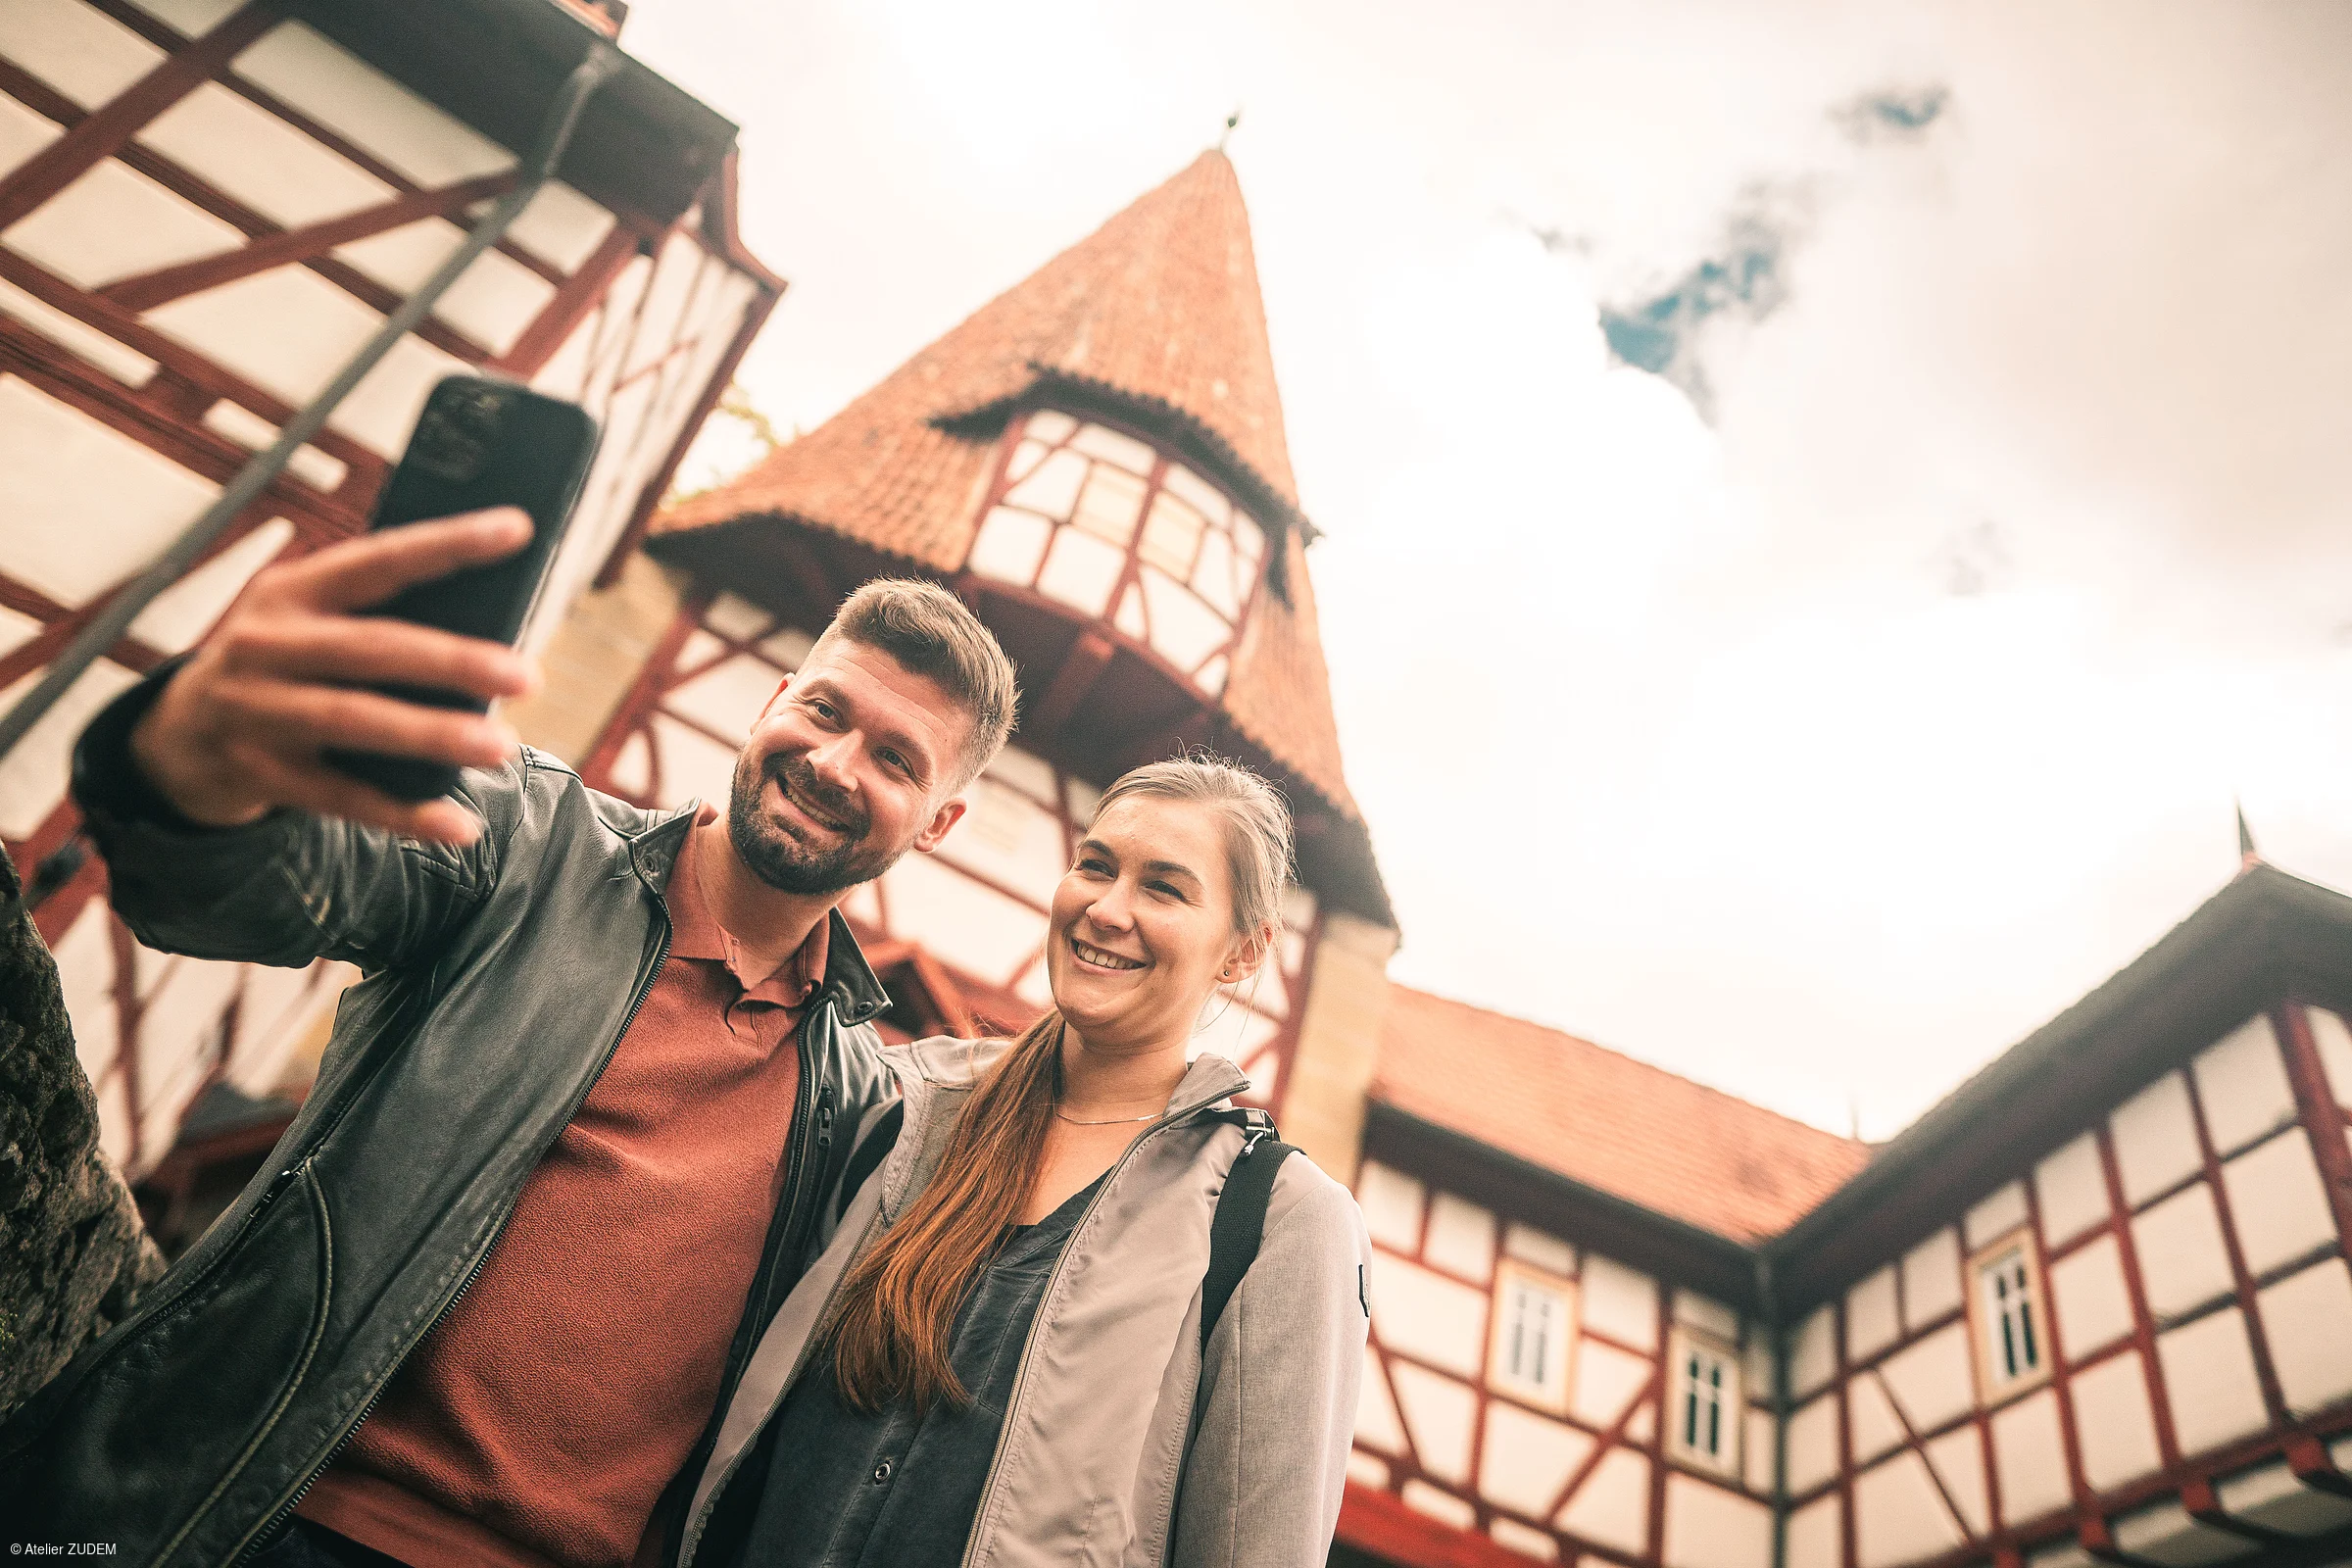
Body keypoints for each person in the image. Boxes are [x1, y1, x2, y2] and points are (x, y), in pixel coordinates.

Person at [0, 508, 1019, 1568]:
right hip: (252, 1513)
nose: (835, 762)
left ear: (937, 822)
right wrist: (189, 765)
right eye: (824, 708)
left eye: (897, 759)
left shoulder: (860, 1104)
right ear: (773, 701)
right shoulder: (524, 842)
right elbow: (247, 886)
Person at [675, 758, 1371, 1568]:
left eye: (1165, 889)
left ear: (1241, 953)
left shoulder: (1272, 1220)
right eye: (1096, 866)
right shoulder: (908, 1109)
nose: (1108, 910)